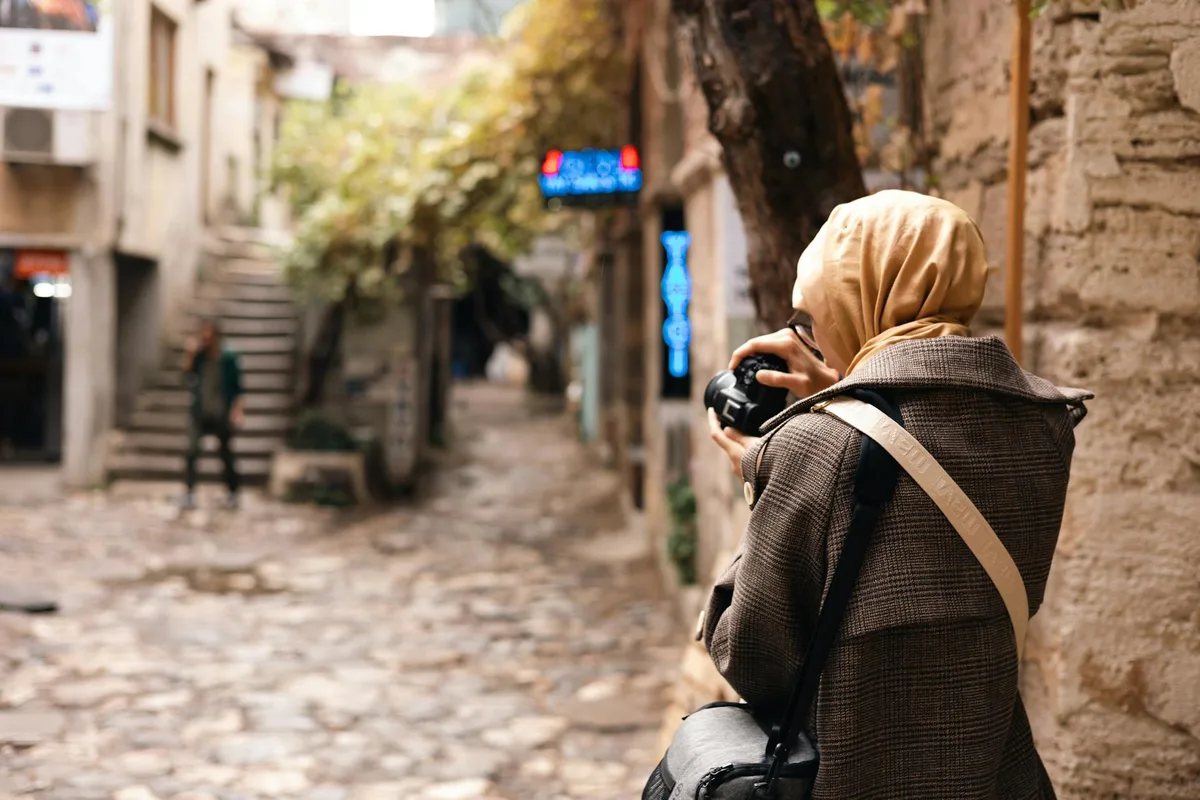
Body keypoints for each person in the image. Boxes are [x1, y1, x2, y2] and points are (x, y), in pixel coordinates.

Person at [704, 190, 1089, 799]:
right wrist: (848, 395)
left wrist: (768, 474)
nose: (813, 337)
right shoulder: (1045, 425)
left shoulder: (812, 448)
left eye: (810, 318)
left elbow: (751, 658)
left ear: (863, 298)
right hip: (994, 776)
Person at [181, 318, 244, 510]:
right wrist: (189, 356)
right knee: (192, 452)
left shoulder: (229, 358)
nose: (205, 341)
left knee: (226, 454)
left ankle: (233, 493)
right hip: (200, 413)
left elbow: (238, 389)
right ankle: (190, 494)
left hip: (221, 413)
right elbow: (185, 378)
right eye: (203, 338)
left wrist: (237, 411)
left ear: (216, 337)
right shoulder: (199, 356)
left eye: (208, 338)